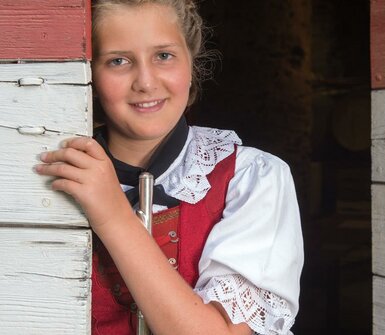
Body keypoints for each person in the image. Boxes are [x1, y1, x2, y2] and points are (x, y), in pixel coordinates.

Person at [34, 0, 304, 334]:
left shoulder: (252, 178)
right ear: (88, 74)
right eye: (118, 61)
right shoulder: (43, 174)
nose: (145, 82)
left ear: (192, 64)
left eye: (163, 56)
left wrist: (114, 216)